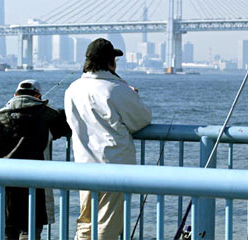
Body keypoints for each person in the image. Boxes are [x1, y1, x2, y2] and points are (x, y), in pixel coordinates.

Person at [64, 38, 152, 240]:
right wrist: (133, 95)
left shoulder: (72, 90)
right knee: (107, 224)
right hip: (114, 165)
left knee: (86, 222)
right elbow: (142, 119)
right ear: (110, 62)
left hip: (84, 166)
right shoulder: (116, 89)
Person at [0, 79, 71, 240]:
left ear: (15, 95)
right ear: (38, 95)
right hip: (35, 186)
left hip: (5, 186)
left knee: (6, 232)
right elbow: (64, 124)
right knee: (31, 232)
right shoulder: (47, 115)